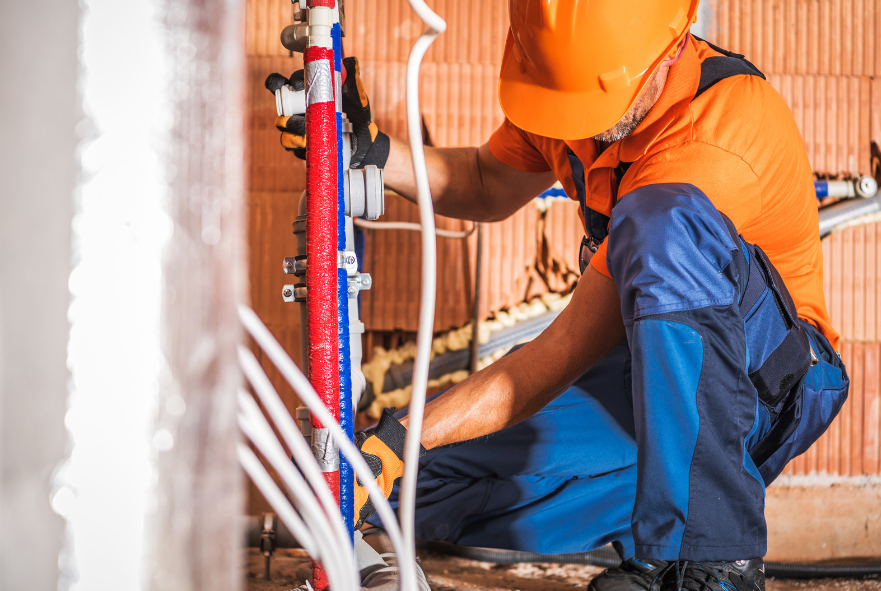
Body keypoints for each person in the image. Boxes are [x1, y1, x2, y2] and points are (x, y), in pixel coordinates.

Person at [266, 2, 849, 590]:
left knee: (661, 223)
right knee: (404, 478)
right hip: (645, 377)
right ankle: (659, 524)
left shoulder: (715, 136)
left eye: (593, 106)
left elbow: (561, 349)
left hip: (769, 383)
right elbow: (486, 182)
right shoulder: (565, 87)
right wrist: (378, 156)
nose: (581, 127)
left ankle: (709, 561)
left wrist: (396, 436)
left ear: (671, 47)